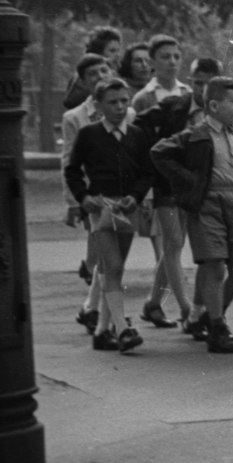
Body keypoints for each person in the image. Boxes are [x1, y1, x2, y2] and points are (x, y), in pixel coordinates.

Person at [151, 76, 233, 355]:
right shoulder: (196, 135)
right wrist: (188, 182)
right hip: (207, 204)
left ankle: (210, 317)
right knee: (214, 264)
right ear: (213, 105)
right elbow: (159, 152)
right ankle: (217, 326)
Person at [63, 77, 152, 354]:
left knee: (115, 268)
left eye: (124, 101)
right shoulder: (89, 134)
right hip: (100, 209)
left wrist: (135, 196)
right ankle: (121, 328)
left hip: (127, 209)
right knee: (111, 265)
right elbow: (72, 169)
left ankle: (102, 332)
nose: (120, 107)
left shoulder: (137, 135)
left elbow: (146, 172)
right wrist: (83, 197)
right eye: (112, 102)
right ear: (99, 105)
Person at [60, 52, 120, 324]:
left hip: (118, 192)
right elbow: (68, 160)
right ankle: (95, 311)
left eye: (104, 71)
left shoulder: (123, 109)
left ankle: (91, 308)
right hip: (91, 194)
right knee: (104, 254)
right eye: (93, 75)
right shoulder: (75, 117)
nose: (101, 77)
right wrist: (74, 201)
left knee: (105, 256)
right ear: (83, 83)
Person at [62, 28, 124, 110]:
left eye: (118, 50)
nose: (118, 55)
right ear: (97, 53)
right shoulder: (83, 76)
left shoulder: (115, 73)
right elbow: (70, 102)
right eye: (112, 51)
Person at [130, 34, 192, 112]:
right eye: (166, 57)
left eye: (177, 57)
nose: (173, 62)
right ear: (151, 62)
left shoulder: (189, 94)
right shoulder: (142, 99)